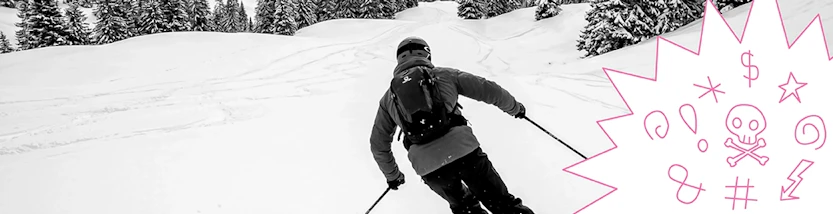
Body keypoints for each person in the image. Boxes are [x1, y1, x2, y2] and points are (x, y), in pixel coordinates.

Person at [369, 36, 535, 214]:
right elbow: (488, 89)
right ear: (427, 55)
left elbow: (378, 145)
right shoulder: (444, 75)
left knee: (466, 209)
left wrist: (393, 176)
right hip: (465, 152)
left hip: (430, 167)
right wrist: (515, 108)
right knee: (502, 204)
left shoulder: (388, 99)